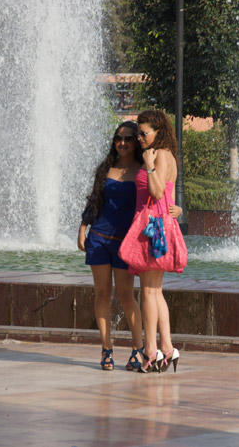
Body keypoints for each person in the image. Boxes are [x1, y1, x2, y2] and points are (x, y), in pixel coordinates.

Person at [78, 121, 145, 371]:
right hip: (99, 239)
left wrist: (177, 208)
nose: (123, 143)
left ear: (136, 142)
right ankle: (106, 349)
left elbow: (156, 198)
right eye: (119, 138)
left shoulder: (142, 171)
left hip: (126, 243)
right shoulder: (105, 169)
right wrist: (83, 227)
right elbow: (95, 200)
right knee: (102, 294)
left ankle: (138, 349)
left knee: (127, 296)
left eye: (128, 138)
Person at [132, 110, 184, 373]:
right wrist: (177, 210)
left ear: (158, 132)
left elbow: (156, 191)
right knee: (156, 292)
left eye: (144, 133)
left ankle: (150, 352)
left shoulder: (159, 155)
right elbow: (169, 199)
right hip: (160, 227)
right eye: (138, 133)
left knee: (149, 292)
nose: (139, 137)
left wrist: (150, 165)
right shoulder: (164, 155)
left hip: (154, 230)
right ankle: (167, 349)